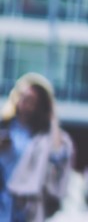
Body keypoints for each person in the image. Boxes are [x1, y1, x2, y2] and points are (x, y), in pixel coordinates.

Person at [0, 73, 73, 222]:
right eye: (23, 96)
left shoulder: (43, 138)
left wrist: (52, 117)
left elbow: (58, 156)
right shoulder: (5, 127)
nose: (25, 103)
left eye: (32, 100)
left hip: (26, 207)